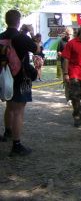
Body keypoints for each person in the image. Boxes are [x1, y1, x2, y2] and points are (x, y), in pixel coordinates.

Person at [0, 10, 39, 156]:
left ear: (6, 20)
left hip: (4, 76)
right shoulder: (21, 37)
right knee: (18, 111)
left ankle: (8, 132)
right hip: (21, 78)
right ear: (18, 21)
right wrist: (32, 32)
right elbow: (37, 49)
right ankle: (16, 145)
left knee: (9, 107)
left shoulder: (1, 36)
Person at [57, 27, 73, 101]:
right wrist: (64, 55)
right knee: (67, 81)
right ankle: (68, 98)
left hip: (73, 65)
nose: (69, 35)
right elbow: (58, 52)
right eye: (67, 34)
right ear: (65, 34)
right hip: (64, 64)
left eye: (70, 34)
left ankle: (74, 97)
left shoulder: (74, 41)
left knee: (74, 81)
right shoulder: (61, 41)